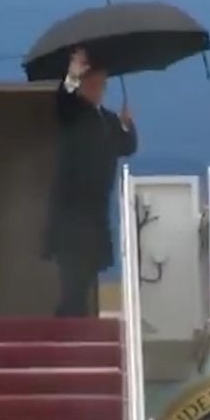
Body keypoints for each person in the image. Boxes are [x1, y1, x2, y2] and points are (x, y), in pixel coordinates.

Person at [42, 47, 138, 317]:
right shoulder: (73, 113)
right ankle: (68, 328)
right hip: (71, 214)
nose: (99, 88)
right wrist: (73, 73)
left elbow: (127, 147)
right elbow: (63, 99)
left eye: (102, 84)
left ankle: (76, 322)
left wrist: (128, 124)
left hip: (95, 214)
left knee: (85, 278)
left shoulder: (107, 119)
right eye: (94, 83)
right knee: (73, 280)